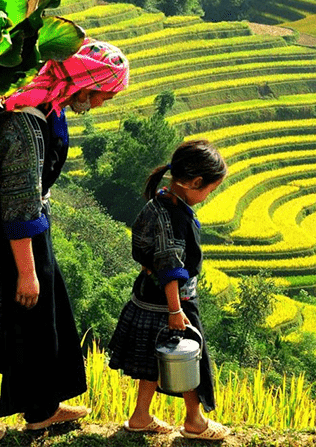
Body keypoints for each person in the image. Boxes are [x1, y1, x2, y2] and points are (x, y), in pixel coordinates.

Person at [0, 39, 129, 445]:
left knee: (41, 323)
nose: (102, 103)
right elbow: (18, 203)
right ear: (86, 82)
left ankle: (43, 409)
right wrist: (28, 272)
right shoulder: (23, 124)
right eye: (104, 93)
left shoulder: (46, 108)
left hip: (23, 229)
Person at [107, 139, 230, 441]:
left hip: (147, 296)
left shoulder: (160, 202)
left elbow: (147, 254)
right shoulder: (171, 216)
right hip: (173, 302)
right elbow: (169, 266)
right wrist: (176, 310)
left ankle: (140, 416)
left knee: (154, 360)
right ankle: (195, 422)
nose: (207, 196)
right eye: (209, 190)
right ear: (196, 182)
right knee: (187, 356)